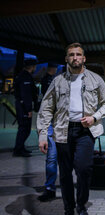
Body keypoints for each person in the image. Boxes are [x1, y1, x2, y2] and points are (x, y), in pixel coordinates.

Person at [37, 43, 105, 215]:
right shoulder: (58, 81)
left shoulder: (95, 79)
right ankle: (69, 208)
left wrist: (94, 117)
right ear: (66, 59)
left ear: (84, 58)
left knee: (84, 169)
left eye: (78, 54)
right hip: (63, 131)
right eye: (71, 55)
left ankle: (81, 205)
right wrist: (43, 135)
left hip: (86, 131)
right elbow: (46, 108)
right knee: (64, 174)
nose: (75, 58)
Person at [37, 62, 58, 202]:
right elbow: (43, 113)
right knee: (51, 158)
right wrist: (42, 135)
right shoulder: (47, 82)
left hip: (66, 127)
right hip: (51, 125)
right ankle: (50, 188)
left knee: (70, 160)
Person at [13, 58, 39, 157]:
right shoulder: (25, 77)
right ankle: (18, 150)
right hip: (23, 107)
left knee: (24, 128)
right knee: (24, 128)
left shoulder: (23, 76)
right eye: (35, 66)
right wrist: (28, 109)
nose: (35, 68)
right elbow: (26, 95)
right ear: (32, 67)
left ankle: (20, 147)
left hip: (21, 105)